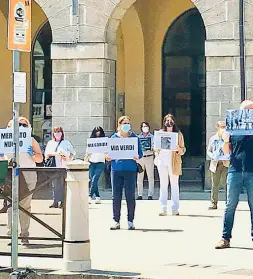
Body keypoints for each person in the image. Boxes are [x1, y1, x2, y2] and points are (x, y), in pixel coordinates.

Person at [215, 100, 253, 249]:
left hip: (251, 170)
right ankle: (225, 238)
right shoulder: (233, 129)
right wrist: (225, 138)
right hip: (235, 170)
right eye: (246, 110)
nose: (248, 113)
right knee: (230, 205)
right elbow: (226, 151)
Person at [6, 117, 43, 245]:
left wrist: (33, 155)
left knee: (25, 205)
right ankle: (12, 234)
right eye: (18, 124)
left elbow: (40, 159)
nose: (21, 127)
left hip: (28, 175)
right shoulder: (5, 140)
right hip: (10, 175)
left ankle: (24, 234)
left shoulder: (31, 140)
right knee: (11, 205)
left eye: (24, 125)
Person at [107, 116, 143, 230]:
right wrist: (107, 157)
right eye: (124, 123)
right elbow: (108, 153)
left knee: (130, 195)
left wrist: (137, 156)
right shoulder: (113, 138)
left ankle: (130, 221)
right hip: (116, 170)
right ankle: (116, 220)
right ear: (119, 125)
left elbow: (140, 153)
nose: (126, 125)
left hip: (130, 170)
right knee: (116, 196)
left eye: (128, 123)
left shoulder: (134, 138)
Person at [154, 114, 186, 216]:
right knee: (163, 184)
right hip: (162, 161)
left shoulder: (178, 134)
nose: (169, 122)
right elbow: (155, 147)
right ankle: (163, 208)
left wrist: (178, 149)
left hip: (174, 162)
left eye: (171, 120)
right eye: (167, 121)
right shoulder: (160, 133)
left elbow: (183, 150)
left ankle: (175, 208)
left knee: (174, 185)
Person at [45, 127, 76, 208]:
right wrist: (56, 154)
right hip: (53, 166)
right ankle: (55, 201)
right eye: (56, 132)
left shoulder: (66, 142)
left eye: (59, 132)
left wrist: (67, 156)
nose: (57, 133)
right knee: (55, 184)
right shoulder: (50, 143)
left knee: (62, 184)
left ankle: (62, 201)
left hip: (63, 166)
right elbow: (47, 154)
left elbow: (73, 152)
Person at [207, 121, 229, 210]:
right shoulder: (213, 138)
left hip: (226, 163)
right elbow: (209, 150)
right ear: (217, 127)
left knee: (227, 184)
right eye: (221, 126)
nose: (223, 128)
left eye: (224, 126)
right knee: (214, 184)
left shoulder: (228, 138)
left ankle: (228, 203)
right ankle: (213, 203)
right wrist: (212, 156)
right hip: (215, 163)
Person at [87, 126, 106, 204]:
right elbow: (88, 151)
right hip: (92, 162)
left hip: (101, 162)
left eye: (99, 131)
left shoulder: (105, 141)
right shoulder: (91, 141)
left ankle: (89, 196)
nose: (98, 133)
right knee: (93, 180)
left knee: (95, 179)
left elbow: (107, 150)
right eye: (96, 131)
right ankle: (98, 197)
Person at [137, 122, 154, 200]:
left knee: (150, 176)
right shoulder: (138, 137)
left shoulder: (153, 137)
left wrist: (152, 148)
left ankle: (150, 195)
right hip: (140, 158)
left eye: (146, 126)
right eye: (143, 126)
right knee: (140, 177)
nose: (145, 127)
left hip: (149, 157)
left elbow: (156, 147)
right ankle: (140, 194)